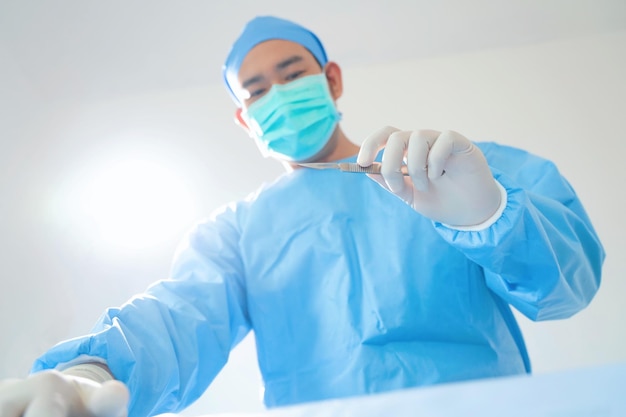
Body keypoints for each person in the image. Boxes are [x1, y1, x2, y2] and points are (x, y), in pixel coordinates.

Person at [0, 15, 604, 417]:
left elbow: (566, 289)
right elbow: (178, 320)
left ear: (331, 79)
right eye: (256, 91)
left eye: (292, 75)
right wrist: (91, 371)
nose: (278, 96)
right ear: (244, 118)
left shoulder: (447, 170)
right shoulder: (237, 233)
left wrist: (488, 213)